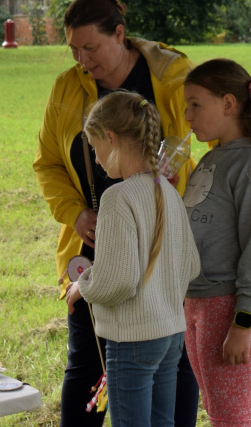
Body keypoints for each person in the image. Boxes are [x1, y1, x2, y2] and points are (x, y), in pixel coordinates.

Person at [34, 0, 200, 427]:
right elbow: (48, 163)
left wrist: (87, 286)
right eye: (74, 50)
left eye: (91, 47)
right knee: (86, 361)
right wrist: (77, 214)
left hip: (158, 240)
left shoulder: (172, 75)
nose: (82, 60)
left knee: (174, 367)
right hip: (92, 246)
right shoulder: (66, 88)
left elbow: (204, 139)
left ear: (120, 34)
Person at [66, 92, 200, 427]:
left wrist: (83, 285)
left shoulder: (117, 197)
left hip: (133, 340)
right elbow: (192, 266)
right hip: (171, 335)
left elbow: (118, 282)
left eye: (95, 147)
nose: (96, 160)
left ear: (111, 138)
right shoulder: (168, 191)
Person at [180, 59, 251, 427]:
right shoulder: (211, 159)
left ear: (228, 104)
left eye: (196, 104)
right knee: (216, 408)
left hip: (227, 306)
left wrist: (243, 323)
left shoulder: (250, 166)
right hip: (196, 300)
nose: (187, 115)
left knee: (230, 415)